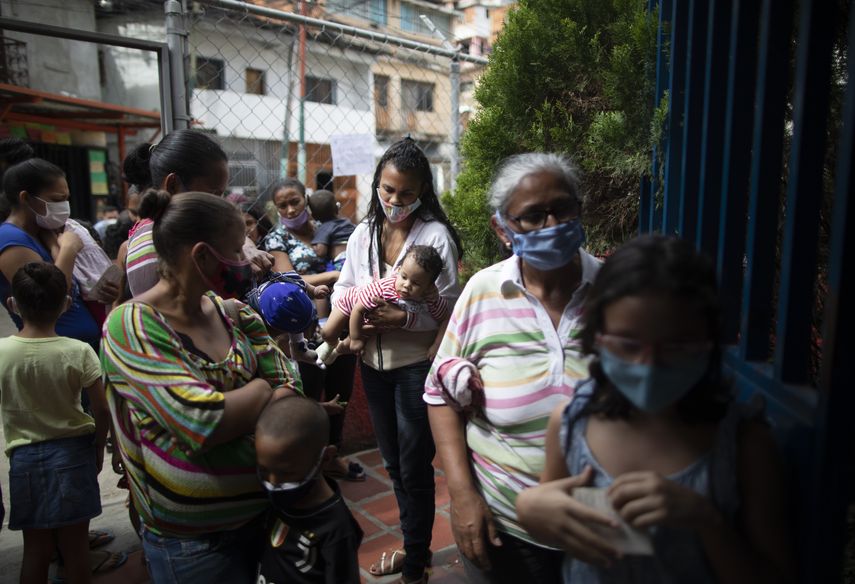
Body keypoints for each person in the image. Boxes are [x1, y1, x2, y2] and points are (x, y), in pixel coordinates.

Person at [515, 235, 795, 584]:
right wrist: (529, 509)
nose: (649, 365)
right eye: (628, 343)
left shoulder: (744, 445)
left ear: (708, 340)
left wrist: (705, 520)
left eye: (677, 345)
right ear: (598, 336)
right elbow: (556, 515)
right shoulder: (572, 422)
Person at [101, 190, 302, 583]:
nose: (248, 261)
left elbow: (291, 385)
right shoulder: (132, 326)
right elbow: (201, 421)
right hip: (194, 547)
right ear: (202, 256)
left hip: (264, 519)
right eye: (237, 251)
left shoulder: (231, 312)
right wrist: (261, 392)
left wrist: (250, 403)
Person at [423, 152, 596, 584]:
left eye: (563, 209)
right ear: (502, 228)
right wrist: (462, 497)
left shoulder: (618, 291)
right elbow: (438, 393)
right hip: (505, 525)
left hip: (601, 529)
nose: (552, 225)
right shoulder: (484, 291)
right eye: (532, 216)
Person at [333, 138, 462, 583]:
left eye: (406, 194)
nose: (394, 201)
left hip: (415, 369)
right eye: (387, 190)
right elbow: (340, 292)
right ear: (377, 185)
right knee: (392, 464)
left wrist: (400, 318)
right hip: (372, 365)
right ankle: (414, 547)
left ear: (423, 190)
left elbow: (446, 309)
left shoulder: (436, 239)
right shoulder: (363, 231)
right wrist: (362, 311)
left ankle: (417, 555)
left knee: (413, 465)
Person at [0, 262, 111, 584]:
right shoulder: (79, 352)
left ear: (13, 304)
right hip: (74, 456)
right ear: (66, 304)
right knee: (76, 551)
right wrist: (100, 446)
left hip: (23, 461)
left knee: (35, 550)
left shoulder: (3, 352)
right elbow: (102, 410)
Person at [260, 177, 364, 483]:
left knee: (340, 391)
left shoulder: (328, 225)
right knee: (307, 396)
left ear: (306, 199)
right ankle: (309, 463)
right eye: (283, 205)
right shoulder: (276, 240)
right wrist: (333, 273)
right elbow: (289, 279)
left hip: (342, 321)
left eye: (295, 201)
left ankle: (333, 455)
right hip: (302, 332)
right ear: (276, 208)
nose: (291, 209)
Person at [121, 129, 272, 297]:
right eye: (213, 194)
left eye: (221, 195)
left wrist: (245, 247)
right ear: (172, 185)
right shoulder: (162, 242)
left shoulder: (177, 227)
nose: (218, 203)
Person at [255, 396, 363, 583]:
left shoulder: (336, 527)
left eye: (286, 474)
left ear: (326, 458)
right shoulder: (281, 503)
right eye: (265, 472)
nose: (273, 484)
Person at [0, 158, 101, 350]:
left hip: (81, 346)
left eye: (66, 198)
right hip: (54, 352)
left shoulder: (43, 232)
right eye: (56, 199)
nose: (64, 206)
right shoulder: (10, 239)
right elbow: (48, 296)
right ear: (25, 198)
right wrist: (68, 249)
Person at [318, 245, 449, 366]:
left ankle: (337, 350)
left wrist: (437, 344)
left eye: (416, 283)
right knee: (328, 333)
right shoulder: (384, 288)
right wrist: (355, 337)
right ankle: (330, 342)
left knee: (350, 346)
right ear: (398, 270)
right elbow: (358, 309)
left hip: (375, 323)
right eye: (404, 277)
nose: (407, 285)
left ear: (429, 286)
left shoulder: (429, 298)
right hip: (352, 302)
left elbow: (445, 318)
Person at [245, 270, 330, 365]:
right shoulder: (253, 306)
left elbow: (304, 284)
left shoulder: (292, 280)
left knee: (296, 324)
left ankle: (300, 350)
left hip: (288, 313)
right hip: (265, 324)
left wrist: (314, 290)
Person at [307, 189, 355, 270]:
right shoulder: (347, 222)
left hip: (342, 262)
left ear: (313, 216)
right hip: (358, 256)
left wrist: (310, 246)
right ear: (337, 208)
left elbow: (321, 251)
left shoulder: (324, 228)